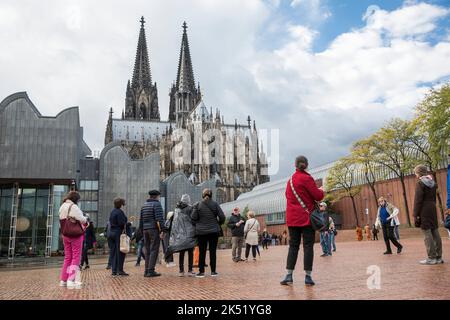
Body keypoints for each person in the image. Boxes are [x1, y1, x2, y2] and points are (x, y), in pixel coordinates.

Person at [280, 155, 324, 286]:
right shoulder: (307, 178)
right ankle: (308, 276)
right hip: (306, 218)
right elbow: (317, 195)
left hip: (293, 219)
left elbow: (288, 196)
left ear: (295, 165)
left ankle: (289, 275)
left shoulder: (290, 181)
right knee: (308, 246)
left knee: (293, 246)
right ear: (307, 165)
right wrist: (322, 191)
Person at [191, 188, 225, 278]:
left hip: (201, 232)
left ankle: (201, 272)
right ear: (211, 195)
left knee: (202, 252)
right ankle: (213, 271)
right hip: (213, 231)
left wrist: (198, 225)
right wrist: (218, 223)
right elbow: (222, 217)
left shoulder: (198, 205)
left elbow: (193, 218)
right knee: (213, 252)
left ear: (202, 195)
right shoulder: (215, 204)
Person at [413, 165, 443, 265]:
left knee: (427, 233)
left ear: (419, 173)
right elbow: (434, 198)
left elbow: (418, 200)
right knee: (435, 231)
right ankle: (439, 257)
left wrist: (415, 214)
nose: (415, 174)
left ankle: (431, 258)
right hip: (432, 208)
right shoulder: (433, 182)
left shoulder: (420, 183)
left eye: (416, 172)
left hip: (424, 210)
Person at [59, 191, 88, 288]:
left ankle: (63, 280)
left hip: (65, 234)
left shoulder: (62, 206)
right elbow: (82, 219)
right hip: (75, 235)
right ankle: (71, 280)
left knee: (67, 257)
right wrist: (86, 218)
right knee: (76, 257)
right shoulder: (73, 207)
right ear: (75, 199)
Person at [166, 194, 196, 277]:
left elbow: (175, 222)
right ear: (188, 200)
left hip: (180, 234)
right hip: (189, 234)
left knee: (181, 252)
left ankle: (181, 271)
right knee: (190, 252)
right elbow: (193, 219)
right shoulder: (190, 208)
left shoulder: (177, 209)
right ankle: (190, 270)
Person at [139, 190, 165, 277]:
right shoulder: (157, 204)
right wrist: (162, 230)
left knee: (147, 250)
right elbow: (159, 219)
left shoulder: (144, 205)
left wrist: (141, 231)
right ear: (157, 196)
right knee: (154, 249)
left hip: (145, 230)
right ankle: (151, 270)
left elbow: (141, 220)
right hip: (153, 229)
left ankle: (146, 270)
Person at [108, 198, 130, 276]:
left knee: (113, 252)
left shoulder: (112, 211)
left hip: (111, 233)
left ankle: (114, 270)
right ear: (121, 204)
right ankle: (120, 270)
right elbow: (121, 223)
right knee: (121, 251)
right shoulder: (120, 212)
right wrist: (128, 224)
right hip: (118, 233)